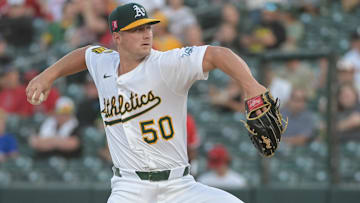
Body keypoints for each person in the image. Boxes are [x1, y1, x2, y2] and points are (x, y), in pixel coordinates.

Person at [26, 3, 267, 203]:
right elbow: (85, 53)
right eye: (137, 29)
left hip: (179, 186)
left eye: (148, 27)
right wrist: (48, 75)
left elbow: (216, 54)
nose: (146, 34)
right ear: (117, 37)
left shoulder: (166, 64)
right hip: (129, 188)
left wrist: (251, 86)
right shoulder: (104, 63)